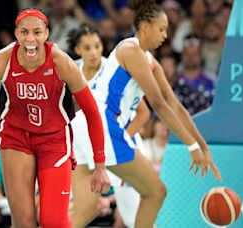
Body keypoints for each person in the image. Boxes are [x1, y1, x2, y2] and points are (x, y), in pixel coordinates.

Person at [72, 0, 222, 227]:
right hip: (101, 125)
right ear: (144, 27)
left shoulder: (149, 60)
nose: (165, 34)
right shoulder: (131, 50)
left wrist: (202, 146)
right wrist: (190, 146)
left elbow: (175, 105)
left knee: (85, 211)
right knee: (156, 192)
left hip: (84, 126)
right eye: (161, 29)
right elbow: (159, 105)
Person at [0, 8, 110, 228]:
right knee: (24, 223)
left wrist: (100, 166)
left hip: (54, 140)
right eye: (24, 32)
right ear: (16, 34)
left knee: (53, 222)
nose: (30, 39)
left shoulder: (62, 61)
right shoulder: (1, 61)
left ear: (47, 34)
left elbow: (92, 113)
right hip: (16, 137)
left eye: (37, 32)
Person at [67, 25, 149, 228]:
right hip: (89, 148)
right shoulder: (70, 72)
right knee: (83, 211)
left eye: (97, 46)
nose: (94, 52)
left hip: (122, 145)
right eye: (87, 48)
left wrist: (118, 144)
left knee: (134, 219)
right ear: (78, 50)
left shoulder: (113, 71)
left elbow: (143, 114)